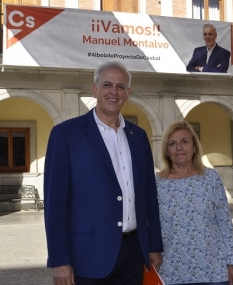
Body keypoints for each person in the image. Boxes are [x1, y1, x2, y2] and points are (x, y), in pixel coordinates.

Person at [44, 61, 163, 285]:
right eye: (107, 84)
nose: (113, 92)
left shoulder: (138, 137)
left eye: (120, 86)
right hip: (87, 255)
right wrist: (60, 260)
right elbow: (55, 205)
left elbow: (149, 198)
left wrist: (154, 246)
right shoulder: (66, 134)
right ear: (95, 89)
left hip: (133, 254)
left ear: (128, 93)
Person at [156, 121, 233, 285]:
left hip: (212, 270)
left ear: (194, 147)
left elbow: (224, 222)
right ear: (167, 150)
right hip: (171, 271)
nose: (179, 147)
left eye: (184, 141)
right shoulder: (157, 183)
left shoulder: (210, 178)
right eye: (172, 143)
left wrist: (231, 262)